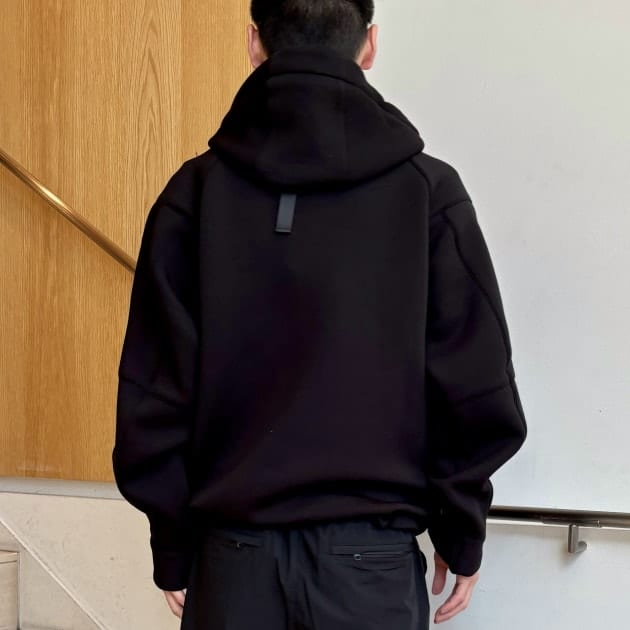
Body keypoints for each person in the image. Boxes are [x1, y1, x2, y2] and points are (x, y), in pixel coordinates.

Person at [112, 1, 528, 628]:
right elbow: (475, 386)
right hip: (370, 566)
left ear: (255, 44)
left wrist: (172, 545)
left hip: (234, 562)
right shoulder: (428, 193)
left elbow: (154, 393)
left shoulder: (193, 195)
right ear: (370, 45)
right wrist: (460, 529)